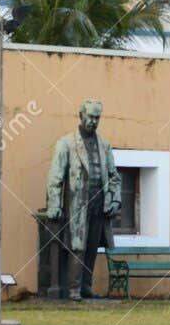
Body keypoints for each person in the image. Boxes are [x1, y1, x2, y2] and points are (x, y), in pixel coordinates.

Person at [44, 100, 121, 300]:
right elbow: (55, 177)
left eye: (97, 118)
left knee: (93, 247)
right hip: (77, 203)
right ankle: (74, 289)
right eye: (90, 117)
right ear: (81, 115)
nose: (94, 121)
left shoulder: (104, 145)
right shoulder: (66, 144)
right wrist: (54, 204)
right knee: (78, 246)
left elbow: (114, 176)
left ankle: (86, 286)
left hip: (99, 203)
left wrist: (114, 200)